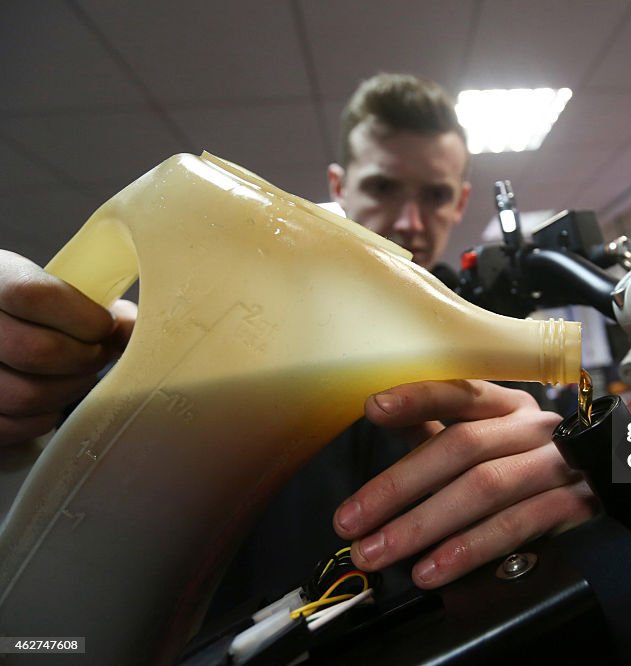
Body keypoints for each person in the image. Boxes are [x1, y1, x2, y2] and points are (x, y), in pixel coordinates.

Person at [0, 73, 596, 604]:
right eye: (384, 187)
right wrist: (26, 380)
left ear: (461, 200)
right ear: (339, 185)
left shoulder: (497, 351)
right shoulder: (223, 324)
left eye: (435, 195)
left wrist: (595, 480)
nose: (411, 221)